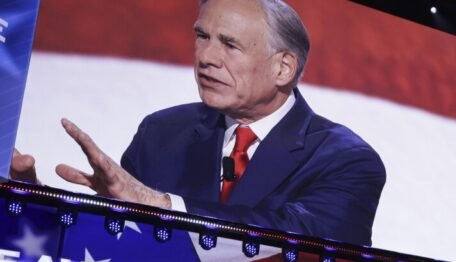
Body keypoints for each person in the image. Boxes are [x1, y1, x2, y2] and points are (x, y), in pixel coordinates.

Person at [10, 0, 385, 246]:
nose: (206, 57)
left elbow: (300, 243)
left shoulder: (346, 160)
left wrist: (161, 204)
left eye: (229, 45)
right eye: (202, 37)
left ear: (282, 67)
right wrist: (31, 204)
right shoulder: (162, 133)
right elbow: (111, 247)